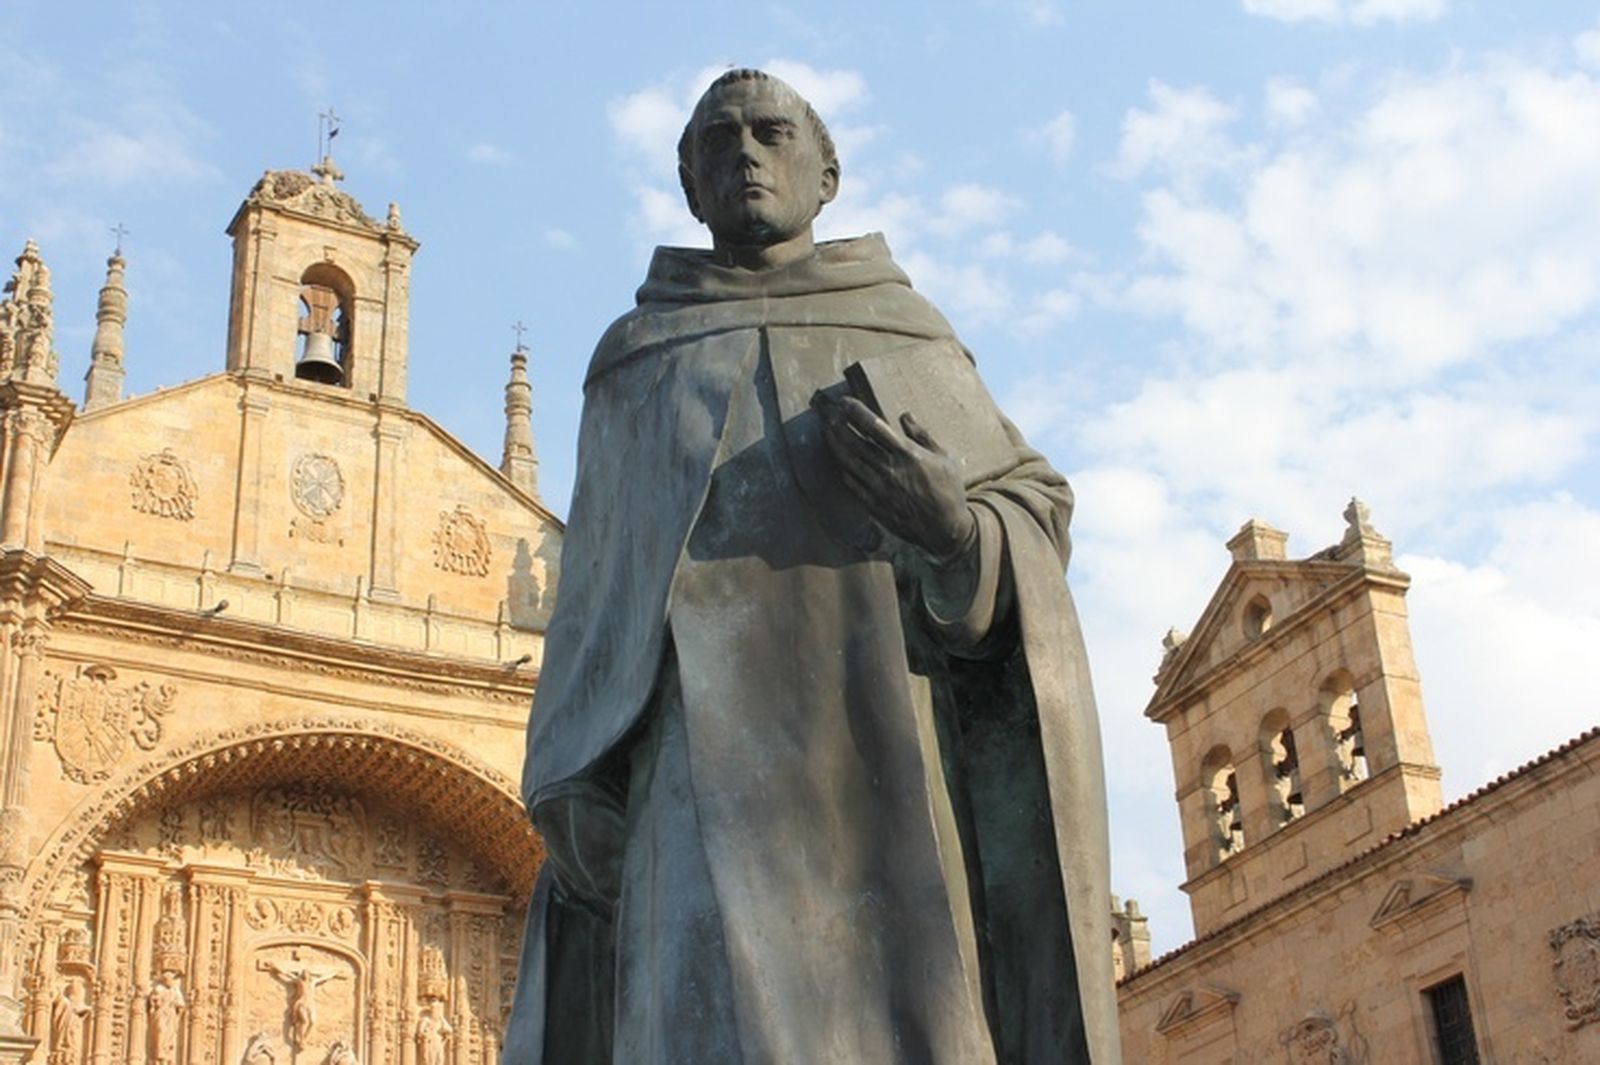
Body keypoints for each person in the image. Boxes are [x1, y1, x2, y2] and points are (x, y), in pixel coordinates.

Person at [506, 68, 1119, 1063]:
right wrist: (567, 778)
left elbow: (1035, 511)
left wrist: (954, 531)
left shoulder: (902, 328)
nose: (745, 154)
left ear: (825, 172)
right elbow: (591, 605)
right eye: (718, 143)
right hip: (689, 781)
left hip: (885, 756)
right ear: (689, 185)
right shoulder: (633, 360)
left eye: (770, 133)